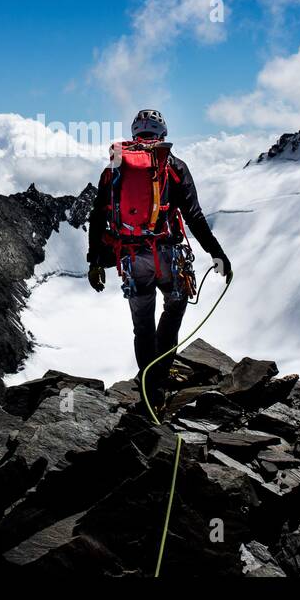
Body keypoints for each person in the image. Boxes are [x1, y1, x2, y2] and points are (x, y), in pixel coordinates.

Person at [86, 108, 232, 413]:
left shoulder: (115, 167)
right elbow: (194, 216)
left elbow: (98, 216)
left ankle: (148, 389)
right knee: (174, 309)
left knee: (142, 325)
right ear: (162, 134)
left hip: (132, 258)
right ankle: (159, 379)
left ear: (134, 134)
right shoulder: (173, 165)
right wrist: (217, 254)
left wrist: (95, 261)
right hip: (168, 255)